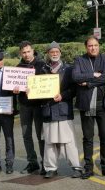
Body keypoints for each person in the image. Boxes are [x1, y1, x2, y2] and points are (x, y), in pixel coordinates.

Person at [72, 36, 105, 179]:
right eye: (90, 46)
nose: (93, 48)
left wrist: (88, 83)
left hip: (102, 105)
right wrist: (93, 74)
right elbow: (76, 77)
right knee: (88, 138)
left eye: (95, 45)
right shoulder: (80, 60)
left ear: (99, 46)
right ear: (86, 47)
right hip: (86, 105)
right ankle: (88, 168)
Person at [39, 41, 82, 179]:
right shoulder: (42, 69)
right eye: (52, 52)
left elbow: (74, 89)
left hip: (63, 109)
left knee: (68, 141)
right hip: (48, 110)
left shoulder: (69, 69)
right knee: (49, 142)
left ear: (60, 53)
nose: (54, 54)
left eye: (57, 51)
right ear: (48, 54)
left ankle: (76, 167)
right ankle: (51, 168)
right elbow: (37, 88)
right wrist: (31, 91)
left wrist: (63, 95)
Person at [13, 41, 46, 174]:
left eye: (28, 51)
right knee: (26, 135)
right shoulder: (18, 67)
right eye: (24, 52)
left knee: (41, 135)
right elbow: (14, 85)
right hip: (24, 105)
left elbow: (46, 85)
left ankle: (45, 163)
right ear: (21, 53)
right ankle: (32, 163)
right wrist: (14, 90)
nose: (26, 54)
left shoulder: (42, 65)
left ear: (33, 51)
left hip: (38, 106)